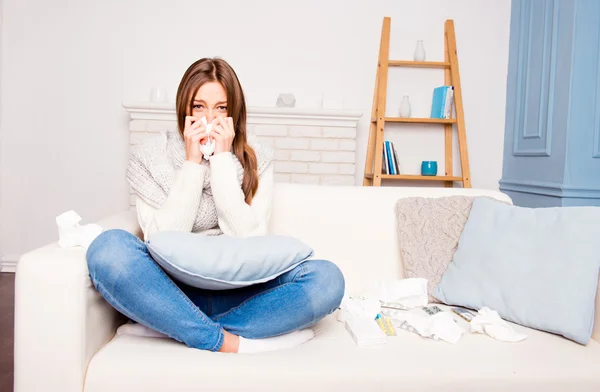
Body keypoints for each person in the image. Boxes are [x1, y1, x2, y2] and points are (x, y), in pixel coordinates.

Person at [85, 57, 345, 354]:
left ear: (234, 112)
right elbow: (164, 237)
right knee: (108, 249)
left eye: (221, 108)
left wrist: (221, 159)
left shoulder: (258, 156)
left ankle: (170, 324)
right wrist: (192, 162)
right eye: (199, 107)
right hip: (170, 289)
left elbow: (249, 241)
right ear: (184, 108)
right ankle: (225, 340)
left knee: (327, 279)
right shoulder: (150, 155)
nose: (210, 119)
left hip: (242, 292)